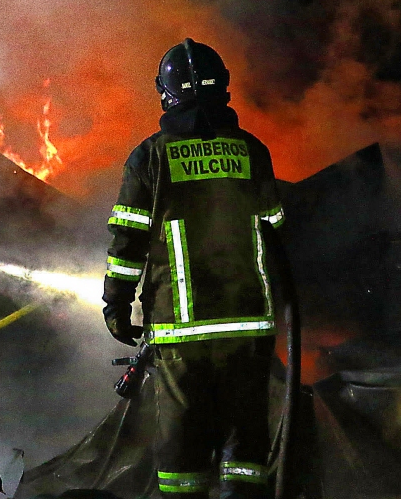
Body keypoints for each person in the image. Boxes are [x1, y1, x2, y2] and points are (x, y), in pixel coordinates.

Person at [102, 39, 287, 498]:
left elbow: (128, 243)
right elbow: (276, 227)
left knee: (183, 451)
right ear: (223, 88)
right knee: (246, 445)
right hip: (250, 326)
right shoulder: (252, 150)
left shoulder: (150, 157)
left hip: (181, 332)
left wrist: (117, 305)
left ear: (165, 93)